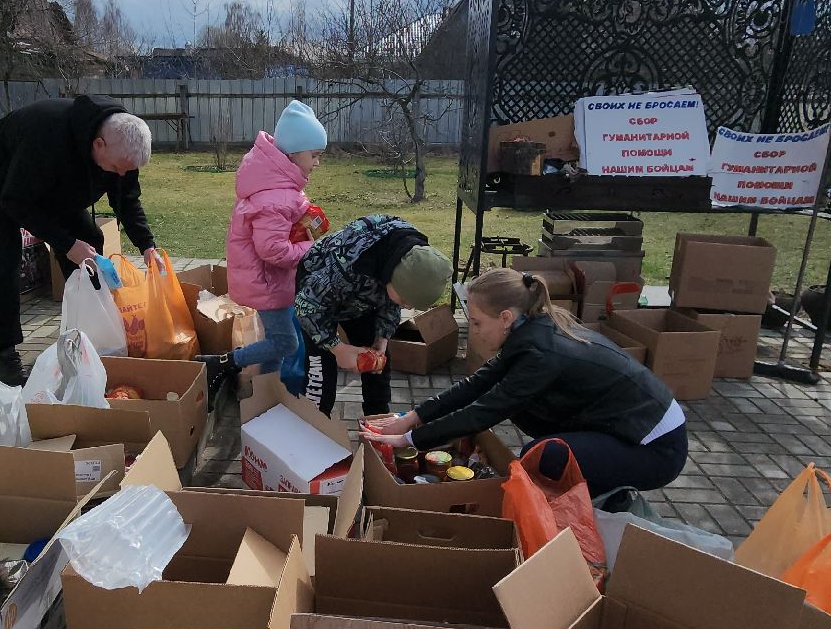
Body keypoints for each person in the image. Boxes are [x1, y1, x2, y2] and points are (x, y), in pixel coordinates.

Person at [362, 268, 689, 494]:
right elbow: (477, 385)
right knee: (526, 414)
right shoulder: (529, 330)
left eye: (476, 323)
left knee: (542, 455)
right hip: (631, 424)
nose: (473, 332)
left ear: (505, 317)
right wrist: (411, 419)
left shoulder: (540, 353)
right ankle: (592, 483)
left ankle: (604, 497)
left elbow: (484, 411)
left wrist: (411, 441)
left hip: (656, 448)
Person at [0, 95, 155, 385]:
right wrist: (66, 244)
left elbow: (126, 199)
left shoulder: (121, 145)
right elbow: (15, 202)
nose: (122, 174)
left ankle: (88, 329)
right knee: (5, 255)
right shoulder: (48, 137)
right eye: (118, 168)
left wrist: (147, 245)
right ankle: (3, 354)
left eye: (128, 170)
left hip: (50, 183)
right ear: (98, 145)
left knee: (89, 238)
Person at [194, 100, 325, 391]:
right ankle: (224, 362)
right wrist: (311, 250)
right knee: (286, 342)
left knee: (278, 343)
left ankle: (266, 392)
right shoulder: (275, 197)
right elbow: (273, 250)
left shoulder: (278, 187)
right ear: (293, 153)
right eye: (314, 155)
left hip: (271, 281)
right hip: (267, 284)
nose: (318, 162)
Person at [293, 215, 452, 417]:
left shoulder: (410, 258)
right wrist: (337, 348)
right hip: (316, 299)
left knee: (379, 365)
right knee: (321, 376)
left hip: (363, 293)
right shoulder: (346, 267)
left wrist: (382, 338)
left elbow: (392, 301)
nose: (407, 306)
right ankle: (316, 426)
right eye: (405, 301)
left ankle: (377, 423)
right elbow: (304, 307)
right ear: (392, 277)